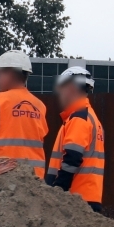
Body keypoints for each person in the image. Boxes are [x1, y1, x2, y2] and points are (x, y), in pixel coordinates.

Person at [46, 64, 105, 212]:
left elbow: (72, 159)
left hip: (75, 201)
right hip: (88, 197)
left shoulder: (79, 119)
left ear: (71, 88)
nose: (60, 93)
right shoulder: (92, 119)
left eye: (62, 88)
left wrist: (57, 192)